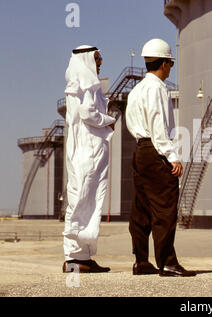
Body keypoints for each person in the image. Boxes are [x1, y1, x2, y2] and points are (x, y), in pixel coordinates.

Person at [125, 39, 196, 277]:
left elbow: (132, 124)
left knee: (142, 207)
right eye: (170, 64)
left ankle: (141, 261)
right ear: (164, 63)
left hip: (140, 150)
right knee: (165, 206)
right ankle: (167, 262)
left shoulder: (136, 90)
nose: (171, 68)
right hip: (155, 149)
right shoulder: (156, 88)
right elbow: (158, 126)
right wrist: (172, 156)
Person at [62, 45, 116, 273]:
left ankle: (78, 257)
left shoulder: (76, 83)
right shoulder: (89, 83)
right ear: (86, 59)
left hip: (79, 150)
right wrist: (108, 120)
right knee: (87, 201)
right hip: (90, 150)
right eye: (97, 58)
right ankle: (76, 259)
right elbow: (88, 114)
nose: (101, 61)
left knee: (78, 200)